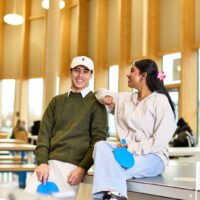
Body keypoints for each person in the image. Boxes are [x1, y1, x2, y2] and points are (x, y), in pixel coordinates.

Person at [92, 59, 176, 200]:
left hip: (153, 157)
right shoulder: (125, 99)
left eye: (132, 71)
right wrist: (106, 96)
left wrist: (131, 148)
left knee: (110, 166)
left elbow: (159, 141)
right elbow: (99, 92)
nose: (128, 75)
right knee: (101, 146)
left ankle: (109, 197)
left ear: (143, 75)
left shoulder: (160, 101)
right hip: (125, 154)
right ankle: (115, 196)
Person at [25, 56, 108, 197]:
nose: (80, 75)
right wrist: (42, 163)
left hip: (72, 168)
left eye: (85, 71)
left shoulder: (96, 104)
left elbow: (98, 140)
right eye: (77, 70)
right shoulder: (56, 101)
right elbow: (44, 135)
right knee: (26, 197)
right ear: (70, 72)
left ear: (91, 75)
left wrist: (82, 168)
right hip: (48, 165)